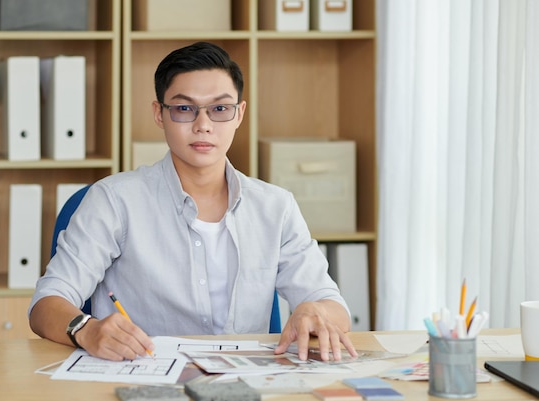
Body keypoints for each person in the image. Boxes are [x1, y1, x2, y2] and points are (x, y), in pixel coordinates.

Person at [28, 41, 357, 362]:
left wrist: (316, 311)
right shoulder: (114, 201)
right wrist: (87, 329)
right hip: (142, 382)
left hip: (245, 389)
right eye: (184, 108)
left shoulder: (275, 207)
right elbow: (47, 303)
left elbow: (332, 306)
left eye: (220, 109)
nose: (203, 126)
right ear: (159, 114)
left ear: (239, 114)